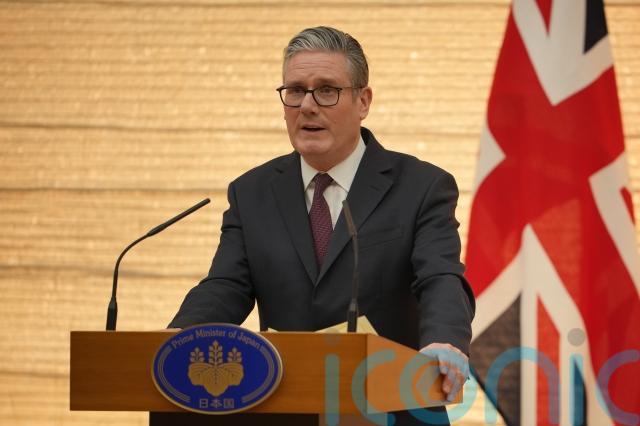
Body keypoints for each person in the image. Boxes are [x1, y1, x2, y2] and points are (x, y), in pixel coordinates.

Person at [169, 26, 475, 425]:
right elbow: (226, 286)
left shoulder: (421, 186)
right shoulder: (252, 192)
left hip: (391, 408)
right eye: (296, 91)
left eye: (327, 90)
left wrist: (444, 340)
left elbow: (440, 277)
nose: (308, 106)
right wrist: (173, 340)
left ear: (363, 101)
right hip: (282, 409)